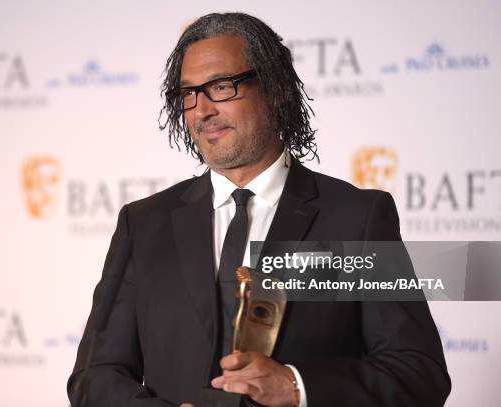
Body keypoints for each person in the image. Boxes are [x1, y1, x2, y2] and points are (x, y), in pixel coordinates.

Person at [68, 12, 451, 407]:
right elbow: (94, 377)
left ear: (276, 88)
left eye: (221, 87)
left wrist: (296, 385)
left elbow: (418, 374)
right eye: (188, 94)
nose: (201, 110)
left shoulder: (356, 217)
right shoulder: (144, 223)